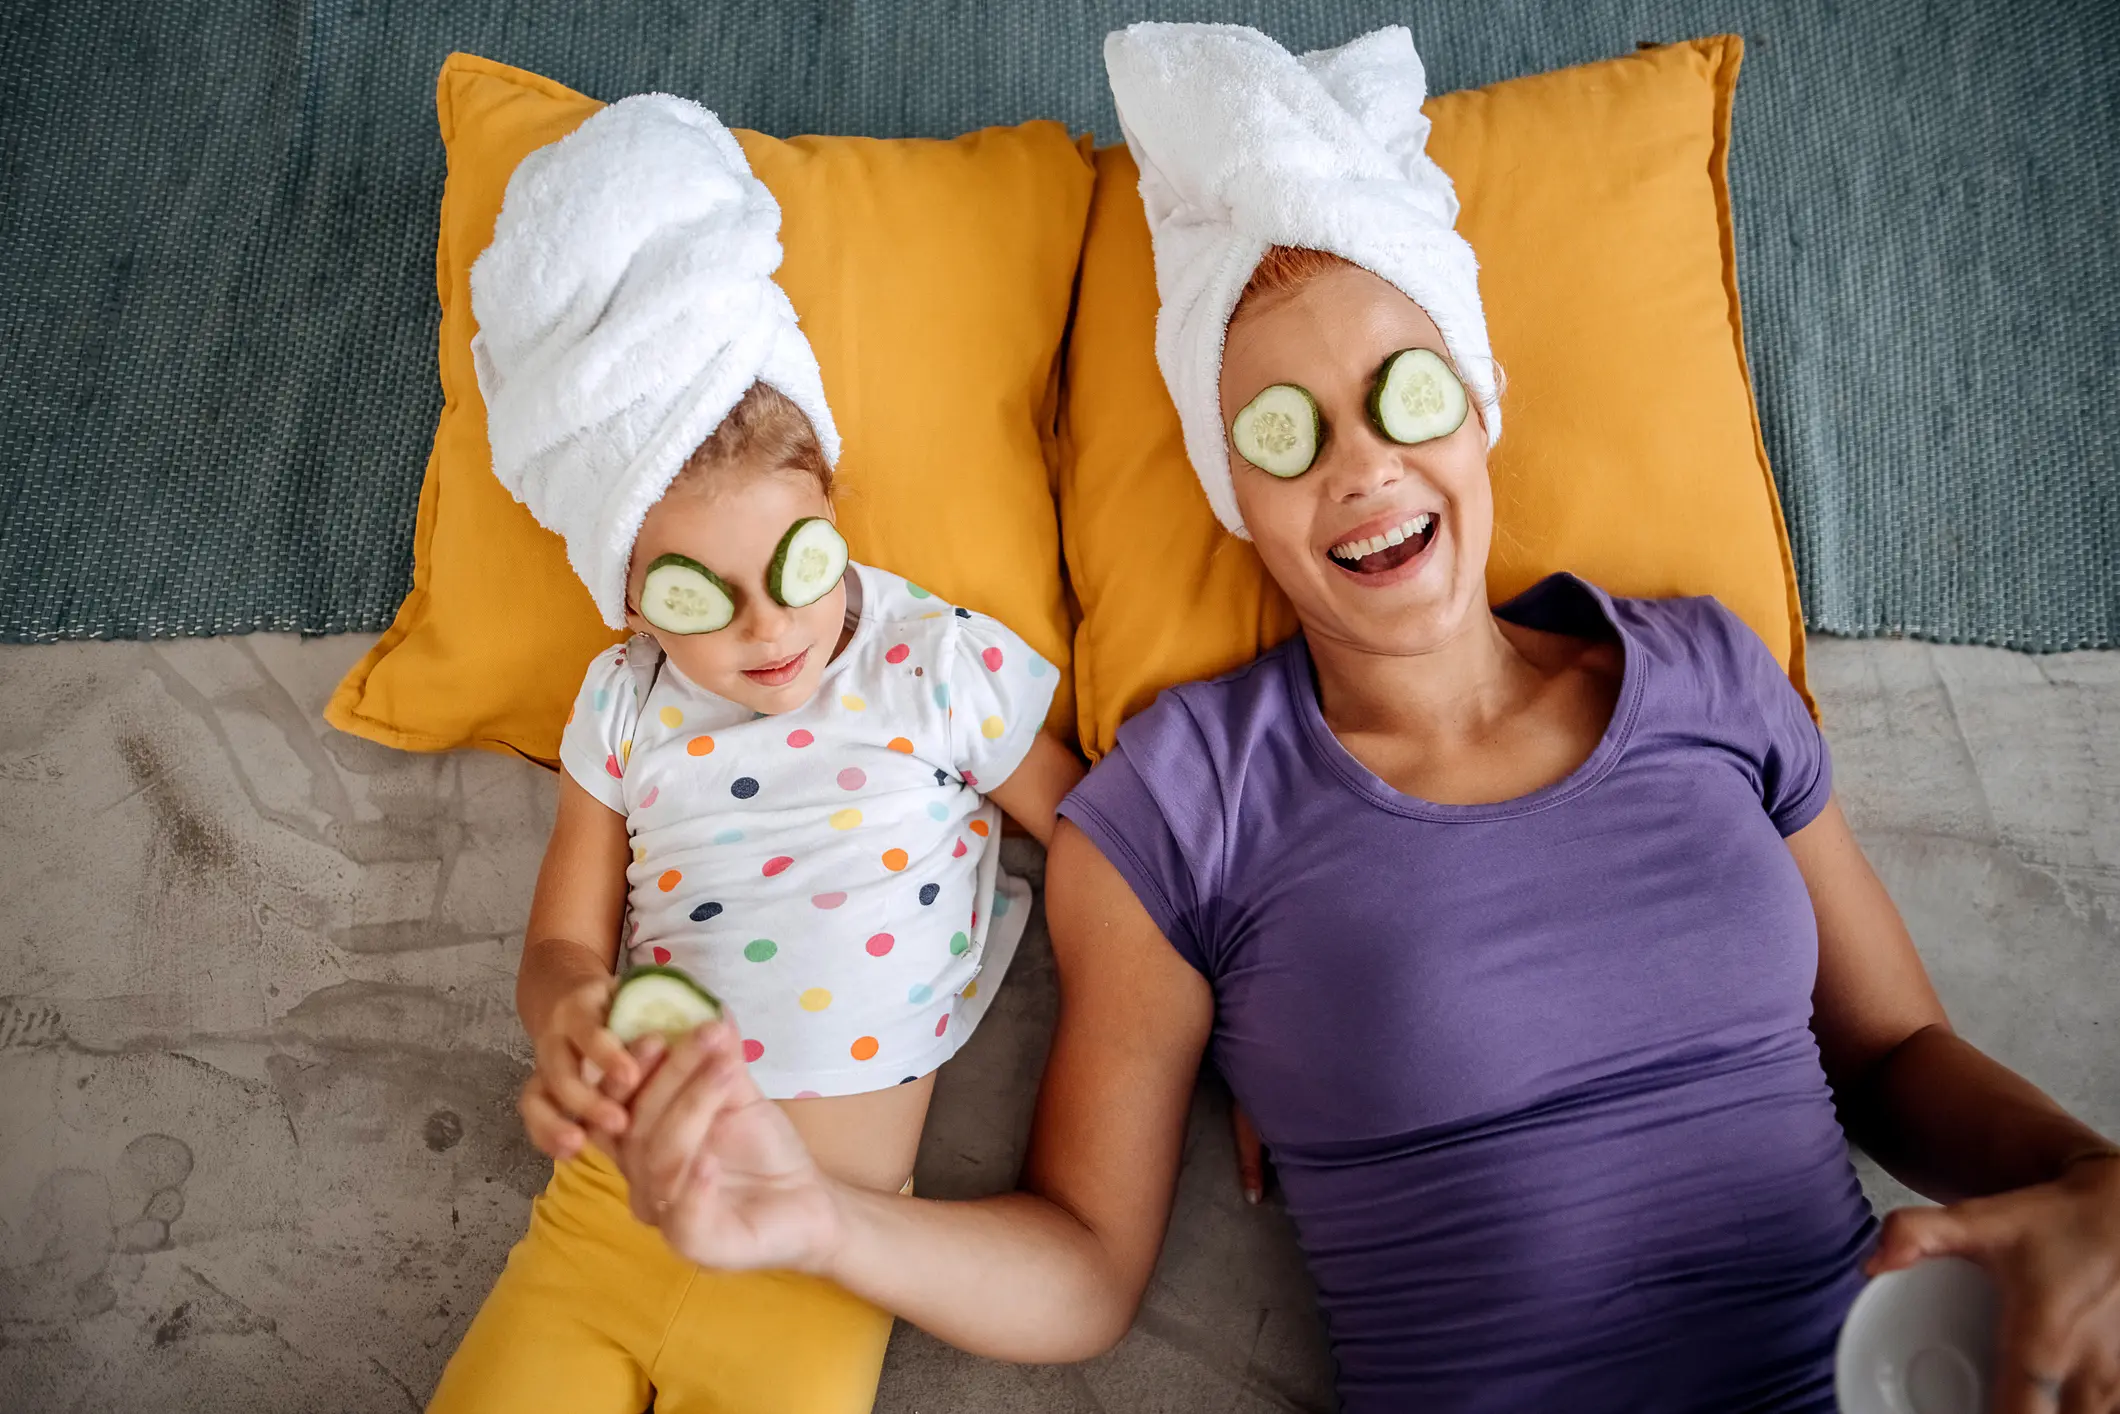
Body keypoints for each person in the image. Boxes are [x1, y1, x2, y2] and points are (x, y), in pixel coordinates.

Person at [599, 26, 2120, 1414]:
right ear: (1231, 498)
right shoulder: (1177, 806)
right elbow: (1082, 1264)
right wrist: (814, 1215)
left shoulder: (1709, 674)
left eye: (1405, 394)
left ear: (1478, 405)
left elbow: (1894, 1045)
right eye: (1283, 433)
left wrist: (2095, 1185)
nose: (1362, 465)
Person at [425, 95, 1080, 1414]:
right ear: (626, 597)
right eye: (694, 597)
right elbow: (563, 943)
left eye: (797, 564)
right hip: (605, 1220)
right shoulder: (621, 705)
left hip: (823, 1247)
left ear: (833, 508)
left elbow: (1103, 842)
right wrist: (566, 1016)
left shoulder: (930, 661)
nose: (767, 625)